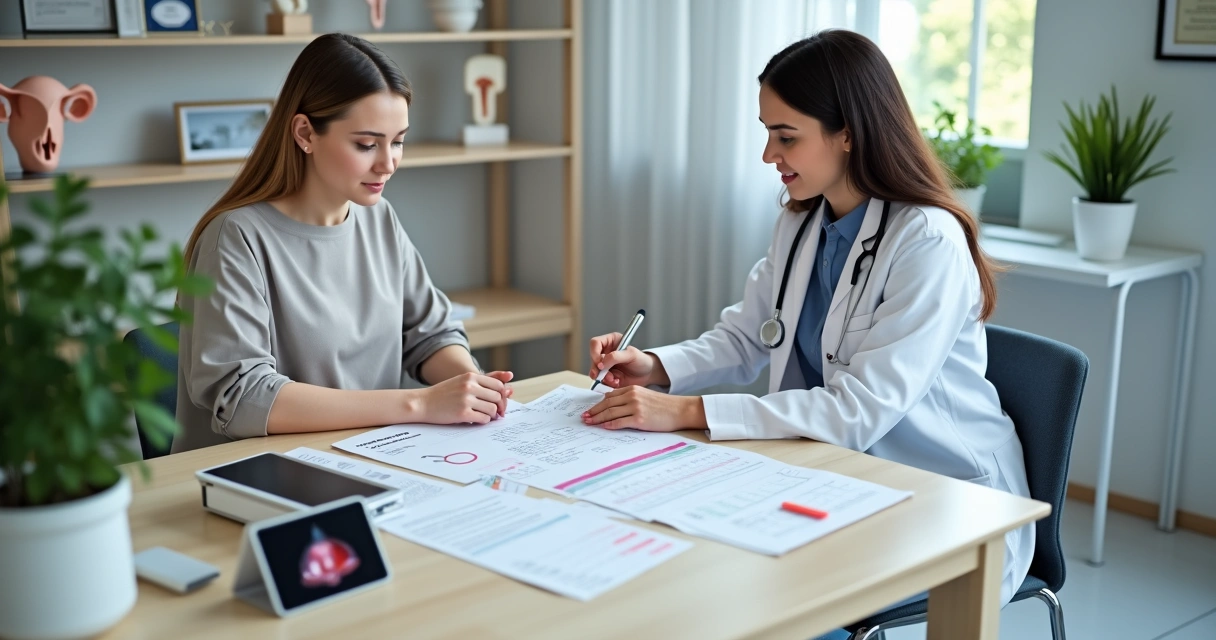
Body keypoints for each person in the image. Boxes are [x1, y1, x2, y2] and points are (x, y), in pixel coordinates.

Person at [581, 29, 1034, 625]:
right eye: (767, 133)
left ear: (848, 132)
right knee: (675, 556)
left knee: (769, 593)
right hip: (833, 474)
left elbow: (858, 411)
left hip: (945, 494)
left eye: (786, 136)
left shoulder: (926, 241)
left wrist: (688, 411)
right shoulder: (803, 222)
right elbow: (750, 336)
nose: (769, 155)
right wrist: (658, 366)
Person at [172, 33, 512, 454]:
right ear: (305, 133)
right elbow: (244, 399)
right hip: (258, 474)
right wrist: (419, 402)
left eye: (398, 141)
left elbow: (430, 332)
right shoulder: (236, 238)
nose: (388, 163)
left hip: (372, 456)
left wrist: (468, 384)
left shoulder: (378, 217)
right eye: (366, 144)